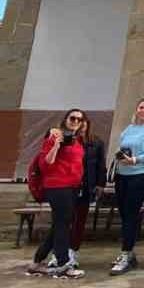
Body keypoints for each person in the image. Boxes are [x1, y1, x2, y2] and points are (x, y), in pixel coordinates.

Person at [24, 109, 87, 278]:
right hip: (58, 187)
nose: (75, 121)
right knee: (63, 225)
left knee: (60, 224)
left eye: (79, 119)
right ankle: (63, 264)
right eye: (72, 118)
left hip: (72, 187)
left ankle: (37, 262)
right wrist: (56, 144)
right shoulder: (54, 136)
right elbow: (46, 163)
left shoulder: (77, 140)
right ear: (65, 119)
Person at [109, 98, 144, 275]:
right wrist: (121, 157)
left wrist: (136, 160)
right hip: (122, 174)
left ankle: (125, 253)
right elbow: (122, 147)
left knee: (131, 214)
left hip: (139, 174)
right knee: (124, 213)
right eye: (141, 107)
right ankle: (129, 252)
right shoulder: (129, 129)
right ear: (136, 109)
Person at [66, 114, 107, 269]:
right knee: (64, 221)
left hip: (85, 187)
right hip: (67, 187)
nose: (80, 124)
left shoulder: (96, 143)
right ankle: (59, 253)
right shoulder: (67, 141)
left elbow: (100, 166)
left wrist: (100, 184)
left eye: (83, 121)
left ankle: (72, 252)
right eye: (76, 120)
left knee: (79, 221)